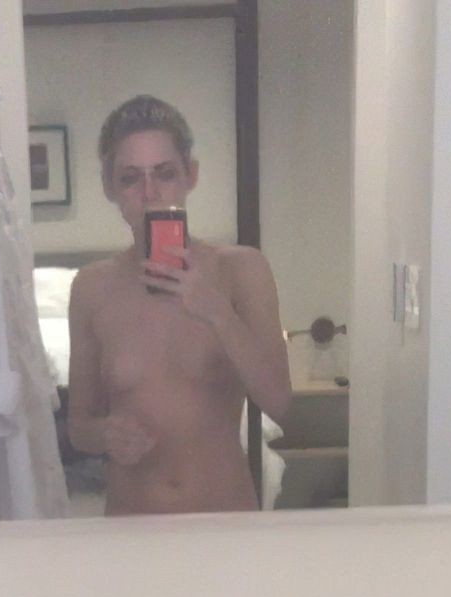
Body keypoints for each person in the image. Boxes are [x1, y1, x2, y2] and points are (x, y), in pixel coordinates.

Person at [66, 96, 292, 516]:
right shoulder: (91, 288)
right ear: (109, 187)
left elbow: (279, 401)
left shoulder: (241, 270)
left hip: (222, 517)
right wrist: (105, 435)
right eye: (130, 178)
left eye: (165, 174)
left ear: (191, 175)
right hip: (132, 521)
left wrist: (218, 313)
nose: (150, 193)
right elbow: (79, 426)